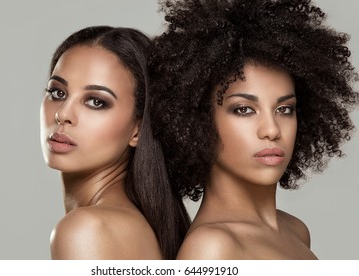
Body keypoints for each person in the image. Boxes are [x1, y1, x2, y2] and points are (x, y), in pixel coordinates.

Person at [148, 0, 359, 259]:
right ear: (197, 122)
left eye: (284, 109)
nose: (271, 130)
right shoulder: (212, 248)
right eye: (244, 109)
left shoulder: (295, 230)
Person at [40, 26, 190, 259]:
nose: (63, 114)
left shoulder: (87, 229)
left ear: (138, 130)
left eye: (96, 102)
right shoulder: (137, 225)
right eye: (58, 93)